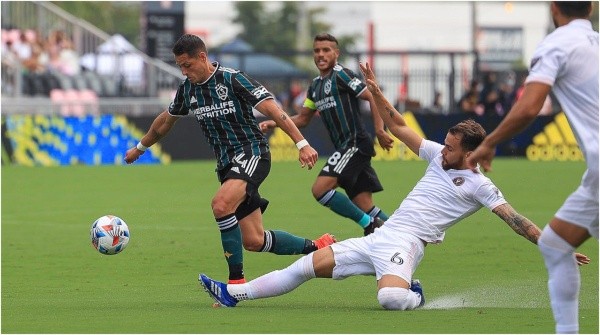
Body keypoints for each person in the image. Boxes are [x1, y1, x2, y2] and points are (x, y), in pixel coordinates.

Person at [198, 61, 590, 310]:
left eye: (452, 148)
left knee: (390, 299)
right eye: (446, 144)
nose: (443, 150)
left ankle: (413, 294)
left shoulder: (480, 186)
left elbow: (516, 220)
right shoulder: (439, 154)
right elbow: (401, 127)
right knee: (304, 267)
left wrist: (555, 247)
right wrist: (378, 93)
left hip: (407, 245)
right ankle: (234, 293)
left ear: (469, 153)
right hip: (382, 235)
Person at [124, 34, 336, 284]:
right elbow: (164, 122)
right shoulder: (188, 90)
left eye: (187, 65)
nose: (183, 71)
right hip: (227, 165)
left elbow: (273, 110)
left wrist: (301, 143)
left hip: (252, 152)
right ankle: (319, 246)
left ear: (202, 57)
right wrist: (140, 147)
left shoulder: (232, 79)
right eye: (180, 66)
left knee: (221, 204)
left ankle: (236, 285)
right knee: (254, 241)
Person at [466, 2, 598, 333]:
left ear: (554, 9)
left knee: (555, 246)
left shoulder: (557, 44)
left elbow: (528, 107)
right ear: (593, 7)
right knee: (555, 245)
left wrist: (489, 141)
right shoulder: (595, 43)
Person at [259, 33, 395, 236]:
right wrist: (275, 122)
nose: (320, 54)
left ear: (336, 53)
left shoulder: (341, 75)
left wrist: (380, 130)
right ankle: (404, 232)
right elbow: (304, 118)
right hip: (346, 147)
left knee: (320, 189)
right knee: (366, 205)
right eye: (316, 50)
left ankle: (370, 225)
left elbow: (374, 97)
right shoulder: (315, 86)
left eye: (326, 50)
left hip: (355, 144)